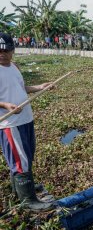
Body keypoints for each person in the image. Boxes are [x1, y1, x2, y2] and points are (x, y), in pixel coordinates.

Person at [0, 32, 55, 212]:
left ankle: (21, 189)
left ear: (13, 50)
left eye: (6, 49)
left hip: (25, 118)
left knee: (27, 155)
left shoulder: (14, 66)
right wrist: (5, 104)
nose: (2, 53)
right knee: (19, 160)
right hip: (10, 123)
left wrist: (39, 87)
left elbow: (21, 88)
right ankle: (29, 201)